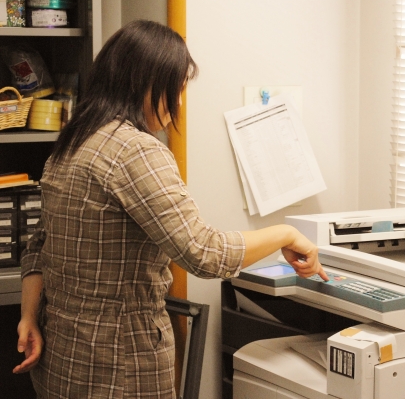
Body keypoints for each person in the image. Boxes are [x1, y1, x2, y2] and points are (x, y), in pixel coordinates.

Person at [12, 20, 328, 398]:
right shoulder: (136, 150)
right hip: (119, 365)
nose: (177, 103)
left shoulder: (72, 142)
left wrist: (28, 315)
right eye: (174, 90)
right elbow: (203, 253)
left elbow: (39, 244)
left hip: (61, 357)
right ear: (143, 84)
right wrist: (286, 234)